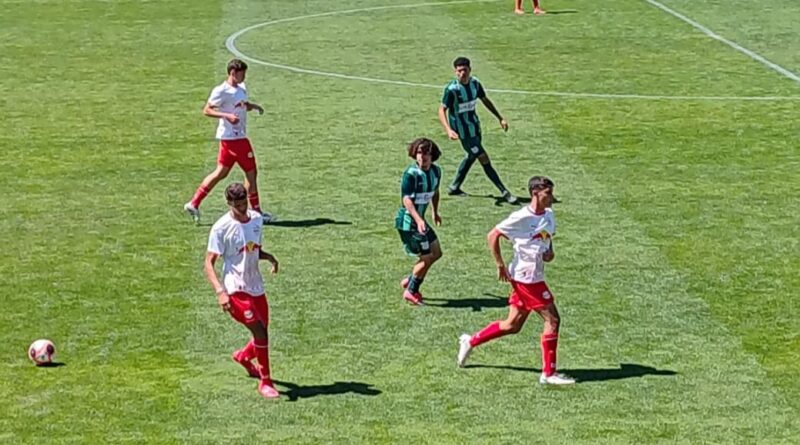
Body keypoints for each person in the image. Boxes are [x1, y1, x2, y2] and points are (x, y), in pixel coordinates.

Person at [457, 176, 575, 385]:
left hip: (535, 274)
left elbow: (548, 238)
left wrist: (549, 252)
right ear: (535, 193)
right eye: (548, 194)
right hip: (525, 278)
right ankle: (548, 373)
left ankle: (471, 341)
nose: (552, 198)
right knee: (553, 320)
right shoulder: (520, 217)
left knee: (512, 325)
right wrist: (500, 264)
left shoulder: (549, 214)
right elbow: (493, 235)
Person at [204, 183, 281, 398]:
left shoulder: (256, 219)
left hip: (255, 285)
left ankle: (243, 357)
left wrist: (269, 257)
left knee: (263, 331)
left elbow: (252, 249)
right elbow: (208, 263)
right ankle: (266, 382)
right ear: (228, 203)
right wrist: (220, 292)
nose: (241, 208)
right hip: (234, 288)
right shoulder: (221, 228)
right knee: (260, 332)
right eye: (236, 205)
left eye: (243, 203)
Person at [185, 58, 275, 224]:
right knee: (251, 172)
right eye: (242, 74)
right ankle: (256, 212)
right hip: (235, 139)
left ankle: (194, 203)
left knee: (221, 172)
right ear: (233, 73)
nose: (244, 77)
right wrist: (226, 116)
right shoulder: (221, 90)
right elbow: (207, 110)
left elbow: (242, 105)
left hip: (231, 139)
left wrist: (253, 106)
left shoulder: (241, 88)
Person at [438, 56, 518, 205]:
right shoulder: (452, 90)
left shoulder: (475, 84)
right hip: (463, 132)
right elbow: (442, 110)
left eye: (465, 70)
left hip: (475, 127)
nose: (462, 73)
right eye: (459, 71)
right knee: (483, 157)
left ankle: (454, 187)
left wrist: (500, 118)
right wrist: (448, 130)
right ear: (455, 72)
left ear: (470, 69)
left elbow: (485, 100)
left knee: (471, 156)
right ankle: (504, 192)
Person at [395, 138, 444, 306]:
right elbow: (406, 200)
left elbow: (435, 192)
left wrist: (435, 212)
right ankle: (411, 291)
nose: (423, 157)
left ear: (432, 155)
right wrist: (418, 219)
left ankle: (411, 280)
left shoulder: (436, 172)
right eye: (419, 153)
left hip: (420, 221)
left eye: (426, 153)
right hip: (409, 222)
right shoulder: (411, 174)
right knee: (427, 256)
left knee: (436, 253)